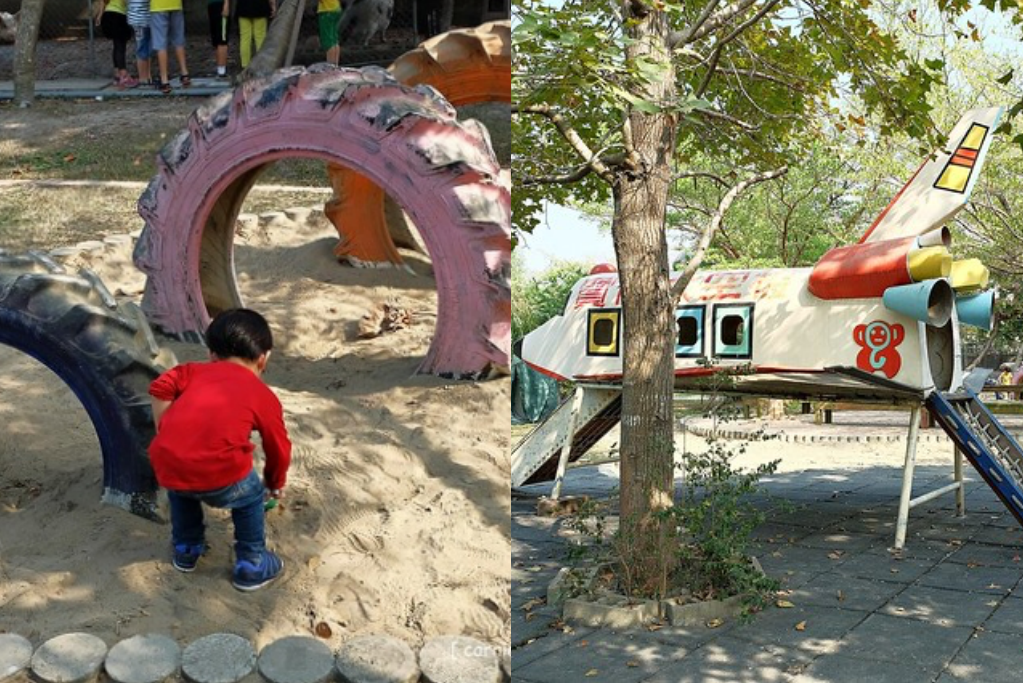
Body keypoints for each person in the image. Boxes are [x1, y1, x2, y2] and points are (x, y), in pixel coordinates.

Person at [148, 309, 291, 591]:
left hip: (168, 462)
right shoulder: (262, 394)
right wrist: (274, 482)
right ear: (264, 358)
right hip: (222, 474)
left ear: (212, 354)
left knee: (182, 491)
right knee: (250, 498)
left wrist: (166, 429)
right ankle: (252, 562)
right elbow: (279, 447)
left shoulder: (190, 371)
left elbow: (160, 386)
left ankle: (186, 549)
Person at [150, 0, 191, 94]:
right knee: (178, 40)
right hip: (176, 4)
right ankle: (185, 74)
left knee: (161, 44)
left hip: (158, 6)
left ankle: (164, 81)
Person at [96, 0, 138, 89]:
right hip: (119, 15)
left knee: (116, 46)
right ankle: (124, 75)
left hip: (108, 14)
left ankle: (117, 74)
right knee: (120, 46)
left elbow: (102, 1)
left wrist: (100, 15)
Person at [237, 0, 274, 69]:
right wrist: (273, 6)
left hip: (243, 7)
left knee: (245, 38)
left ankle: (245, 65)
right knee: (260, 38)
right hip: (260, 7)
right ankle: (260, 65)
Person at [126, 0, 153, 86]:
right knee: (142, 48)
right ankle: (143, 78)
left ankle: (147, 76)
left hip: (145, 18)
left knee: (147, 48)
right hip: (140, 19)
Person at [207, 0, 230, 78]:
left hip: (218, 5)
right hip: (215, 5)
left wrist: (226, 3)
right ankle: (221, 70)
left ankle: (221, 70)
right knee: (219, 39)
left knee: (221, 39)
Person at [317, 0, 341, 66]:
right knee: (334, 40)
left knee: (328, 41)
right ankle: (335, 65)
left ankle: (330, 67)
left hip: (327, 9)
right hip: (335, 8)